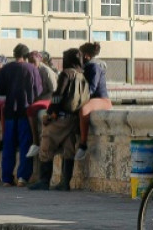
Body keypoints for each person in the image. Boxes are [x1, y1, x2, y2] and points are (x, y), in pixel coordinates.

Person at [29, 48, 89, 191]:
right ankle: (65, 182)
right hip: (73, 119)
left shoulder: (66, 74)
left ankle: (44, 181)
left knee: (46, 146)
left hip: (60, 118)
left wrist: (50, 114)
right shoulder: (82, 76)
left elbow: (57, 96)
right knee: (69, 149)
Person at [0, 44, 42, 186]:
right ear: (27, 56)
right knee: (25, 144)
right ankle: (22, 177)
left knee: (8, 145)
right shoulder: (32, 69)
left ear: (14, 54)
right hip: (25, 111)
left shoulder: (6, 69)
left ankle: (7, 178)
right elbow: (38, 91)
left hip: (9, 111)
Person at [75, 42, 113, 161]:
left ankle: (83, 144)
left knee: (84, 108)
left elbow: (91, 88)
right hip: (92, 99)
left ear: (86, 56)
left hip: (102, 100)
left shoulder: (94, 67)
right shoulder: (83, 68)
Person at [25, 50, 58, 158]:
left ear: (39, 60)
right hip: (38, 98)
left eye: (33, 61)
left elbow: (54, 90)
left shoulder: (46, 71)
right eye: (29, 62)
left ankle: (35, 142)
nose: (31, 64)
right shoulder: (31, 70)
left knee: (31, 109)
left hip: (49, 98)